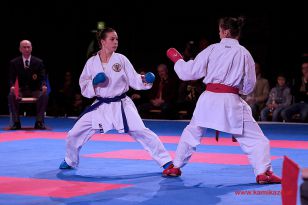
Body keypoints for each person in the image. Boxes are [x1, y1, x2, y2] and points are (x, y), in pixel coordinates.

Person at [162, 17, 281, 184]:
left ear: (225, 31)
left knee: (192, 132)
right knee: (255, 139)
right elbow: (249, 85)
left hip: (208, 100)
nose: (218, 33)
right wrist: (238, 90)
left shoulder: (212, 49)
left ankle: (176, 166)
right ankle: (263, 172)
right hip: (230, 101)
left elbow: (189, 72)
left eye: (219, 30)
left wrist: (178, 61)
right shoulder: (244, 53)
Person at [59, 27, 172, 170]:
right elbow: (83, 86)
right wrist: (93, 82)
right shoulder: (91, 62)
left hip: (121, 104)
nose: (116, 42)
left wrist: (145, 80)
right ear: (102, 42)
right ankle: (70, 160)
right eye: (112, 39)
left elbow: (134, 79)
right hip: (100, 105)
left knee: (142, 131)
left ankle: (166, 161)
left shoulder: (121, 59)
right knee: (74, 133)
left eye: (117, 39)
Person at [8, 40, 48, 130]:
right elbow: (11, 78)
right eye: (24, 47)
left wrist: (44, 85)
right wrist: (12, 87)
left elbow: (42, 77)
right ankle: (16, 122)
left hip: (35, 89)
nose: (26, 49)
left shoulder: (38, 62)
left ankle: (39, 122)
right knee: (11, 95)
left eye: (28, 47)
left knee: (44, 95)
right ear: (20, 49)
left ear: (31, 48)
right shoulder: (14, 62)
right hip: (20, 89)